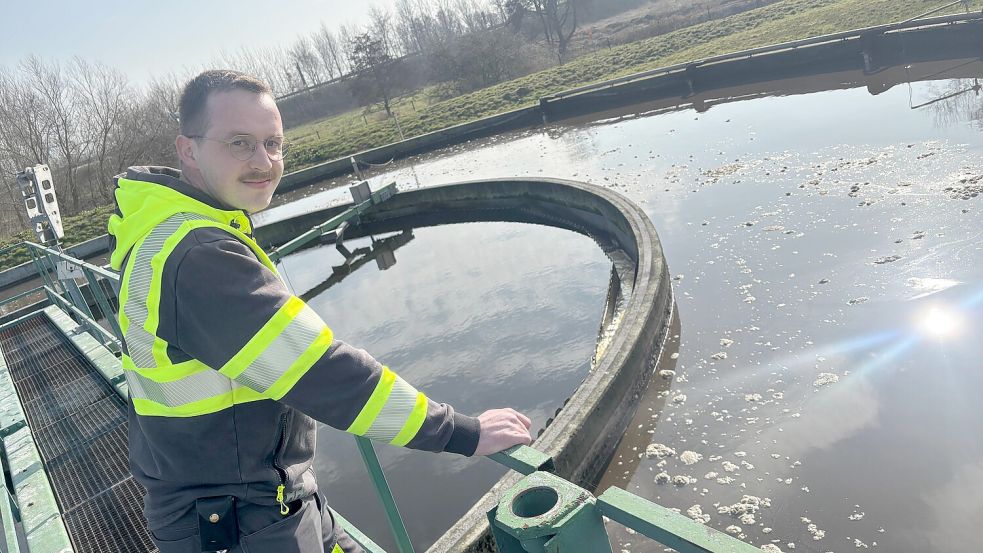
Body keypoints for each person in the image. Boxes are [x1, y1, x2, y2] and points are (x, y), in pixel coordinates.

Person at [107, 69, 533, 553]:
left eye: (273, 143)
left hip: (262, 498)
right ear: (188, 150)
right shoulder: (198, 256)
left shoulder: (171, 234)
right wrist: (459, 431)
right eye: (240, 144)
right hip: (239, 524)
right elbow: (321, 371)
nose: (264, 161)